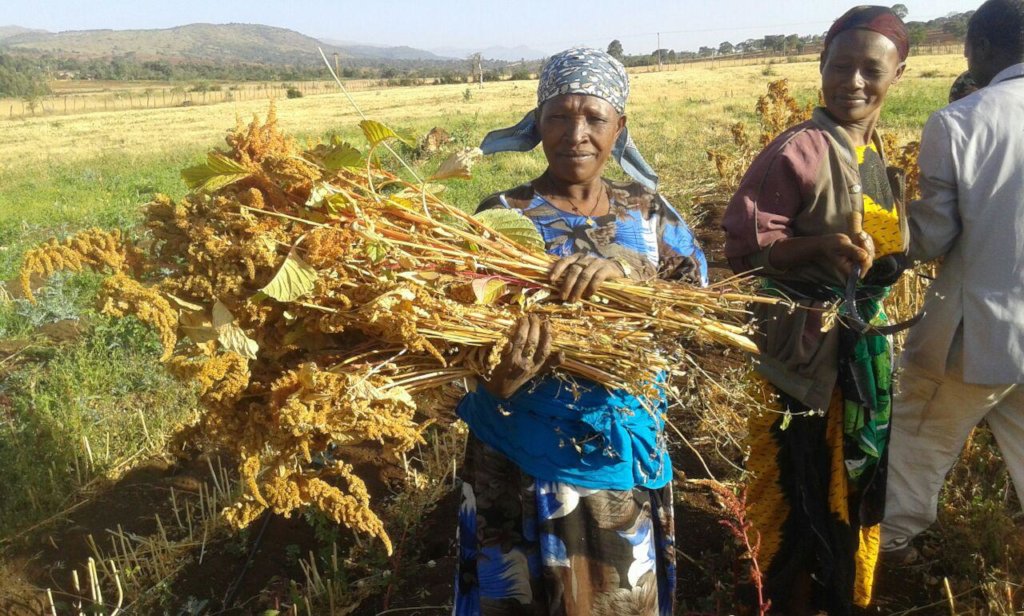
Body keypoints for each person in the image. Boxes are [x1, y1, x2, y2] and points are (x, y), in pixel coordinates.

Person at [452, 47, 707, 615]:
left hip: (613, 457)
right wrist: (499, 376)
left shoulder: (649, 213)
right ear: (537, 123)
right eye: (560, 116)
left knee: (613, 597)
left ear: (620, 128)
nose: (577, 134)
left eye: (595, 117)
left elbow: (698, 302)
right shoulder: (503, 215)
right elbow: (457, 329)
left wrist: (628, 270)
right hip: (515, 450)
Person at [721, 7, 910, 614]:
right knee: (796, 492)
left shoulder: (873, 151)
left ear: (898, 74)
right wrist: (819, 249)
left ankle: (844, 597)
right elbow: (746, 250)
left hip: (856, 355)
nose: (854, 81)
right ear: (820, 67)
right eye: (841, 65)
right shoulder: (797, 151)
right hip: (799, 364)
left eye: (871, 69)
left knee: (851, 490)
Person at [881, 0, 1024, 561]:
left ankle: (889, 553)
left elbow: (933, 237)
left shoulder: (962, 120)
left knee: (917, 444)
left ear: (985, 47)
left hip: (976, 336)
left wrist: (883, 220)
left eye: (969, 48)